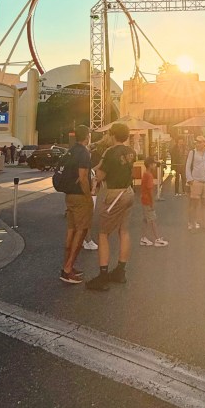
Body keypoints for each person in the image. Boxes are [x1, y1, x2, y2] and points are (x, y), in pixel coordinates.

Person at [85, 122, 136, 291]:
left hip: (114, 194)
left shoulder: (109, 152)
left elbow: (100, 176)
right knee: (124, 231)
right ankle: (120, 271)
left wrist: (98, 167)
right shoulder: (131, 151)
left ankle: (103, 275)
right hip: (128, 192)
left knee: (103, 233)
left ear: (113, 135)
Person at [59, 125, 94, 284]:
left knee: (71, 230)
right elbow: (83, 177)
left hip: (69, 195)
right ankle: (68, 269)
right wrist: (88, 197)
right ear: (86, 136)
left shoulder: (71, 150)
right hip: (80, 196)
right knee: (81, 231)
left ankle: (67, 266)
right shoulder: (84, 152)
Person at [186, 135, 205, 231]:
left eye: (199, 142)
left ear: (204, 143)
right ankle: (191, 223)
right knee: (194, 204)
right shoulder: (192, 153)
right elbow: (188, 166)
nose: (197, 144)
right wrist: (190, 180)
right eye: (196, 142)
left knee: (204, 204)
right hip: (196, 181)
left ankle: (204, 223)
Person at [139, 156, 167, 247]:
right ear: (150, 165)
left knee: (146, 220)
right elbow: (150, 190)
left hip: (144, 199)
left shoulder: (145, 174)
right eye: (154, 164)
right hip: (147, 201)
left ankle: (143, 238)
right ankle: (157, 239)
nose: (155, 165)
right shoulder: (149, 176)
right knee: (152, 220)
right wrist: (152, 203)